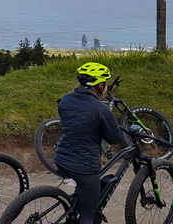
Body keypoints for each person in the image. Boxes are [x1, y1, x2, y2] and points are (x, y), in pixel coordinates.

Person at [54, 62, 121, 224]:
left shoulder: (65, 99)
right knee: (87, 216)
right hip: (84, 167)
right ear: (99, 85)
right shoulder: (100, 108)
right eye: (105, 84)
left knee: (86, 192)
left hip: (62, 158)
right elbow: (114, 138)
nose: (107, 88)